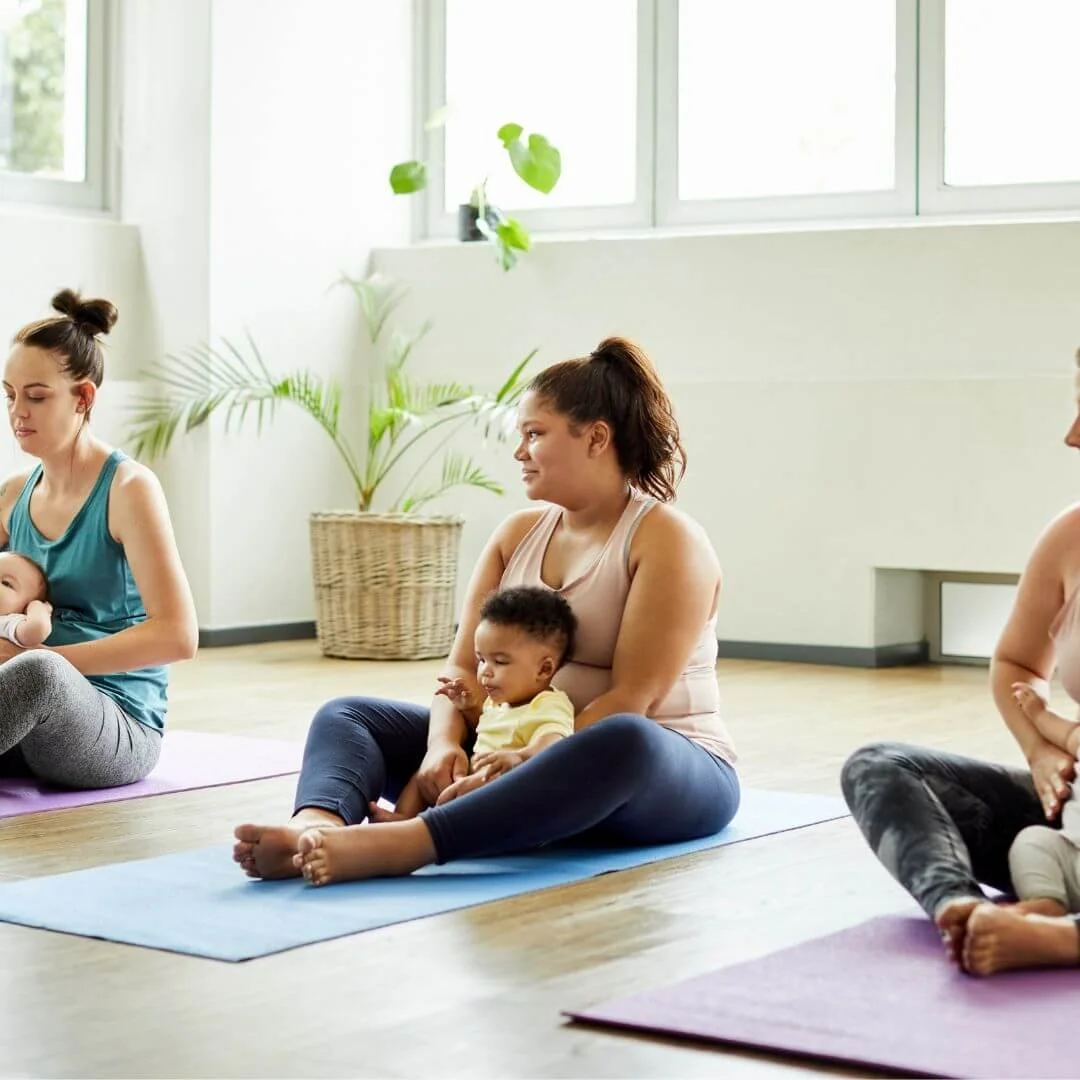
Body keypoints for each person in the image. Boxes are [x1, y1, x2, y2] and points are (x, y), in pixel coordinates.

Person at [234, 335, 740, 886]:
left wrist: (527, 763)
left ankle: (406, 843)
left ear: (596, 438)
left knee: (623, 740)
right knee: (349, 715)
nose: (519, 451)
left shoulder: (667, 540)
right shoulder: (515, 535)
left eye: (534, 434)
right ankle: (317, 829)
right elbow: (458, 671)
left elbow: (632, 700)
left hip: (655, 770)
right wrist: (444, 746)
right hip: (505, 755)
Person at [842, 348, 1080, 976]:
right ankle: (965, 913)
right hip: (1076, 822)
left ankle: (1061, 939)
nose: (1072, 435)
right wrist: (1039, 747)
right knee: (879, 767)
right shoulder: (1070, 536)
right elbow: (1015, 662)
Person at [0, 289, 198, 787]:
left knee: (40, 676)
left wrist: (38, 657)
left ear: (83, 398)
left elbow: (178, 635)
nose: (18, 412)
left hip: (116, 723)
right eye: (10, 394)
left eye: (37, 396)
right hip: (23, 721)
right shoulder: (13, 494)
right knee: (32, 677)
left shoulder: (130, 490)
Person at [388, 585, 577, 820]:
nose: (485, 672)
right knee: (424, 774)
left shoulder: (548, 705)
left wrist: (518, 758)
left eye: (499, 662)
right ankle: (402, 818)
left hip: (508, 785)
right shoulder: (499, 702)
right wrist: (468, 708)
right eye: (481, 659)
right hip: (477, 773)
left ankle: (425, 830)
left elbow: (553, 744)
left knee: (464, 797)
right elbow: (488, 727)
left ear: (544, 668)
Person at [1007, 683, 1080, 915]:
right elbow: (1067, 734)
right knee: (1033, 841)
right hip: (1072, 858)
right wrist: (1039, 713)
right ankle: (1046, 903)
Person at [0, 551, 53, 648]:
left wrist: (37, 607)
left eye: (6, 583)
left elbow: (37, 629)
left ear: (25, 609)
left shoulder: (6, 622)